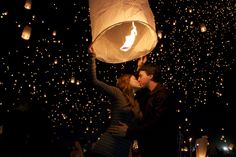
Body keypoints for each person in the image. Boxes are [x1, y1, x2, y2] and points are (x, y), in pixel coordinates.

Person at [108, 63, 178, 157]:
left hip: (161, 150)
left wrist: (129, 132)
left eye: (140, 76)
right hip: (150, 148)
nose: (138, 79)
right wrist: (141, 67)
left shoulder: (163, 95)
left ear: (150, 76)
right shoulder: (147, 95)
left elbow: (155, 124)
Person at [87, 45, 142, 157]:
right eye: (135, 78)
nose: (138, 79)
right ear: (126, 81)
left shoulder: (136, 102)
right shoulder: (117, 93)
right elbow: (94, 81)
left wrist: (140, 66)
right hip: (106, 149)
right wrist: (92, 57)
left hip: (122, 151)